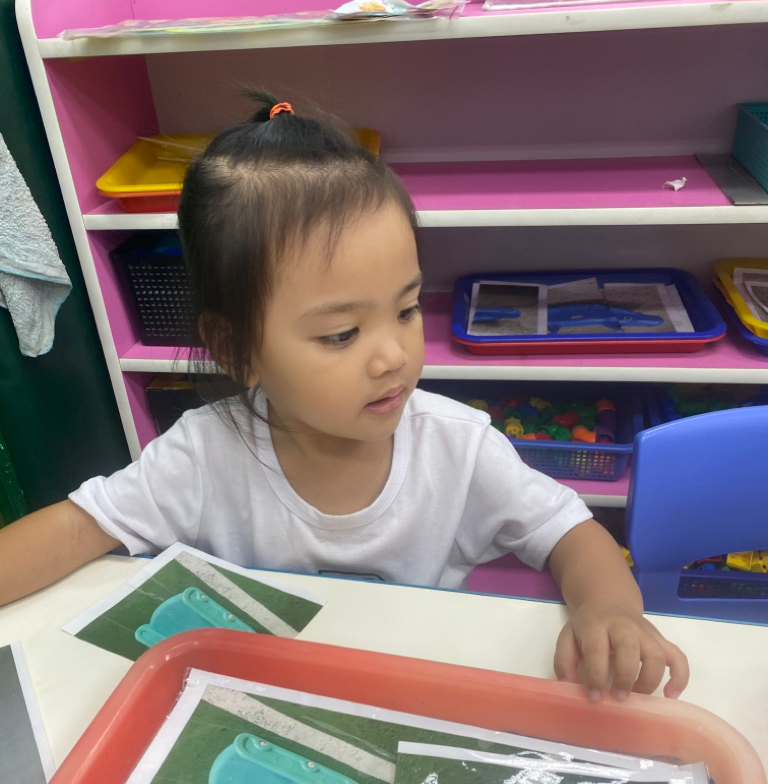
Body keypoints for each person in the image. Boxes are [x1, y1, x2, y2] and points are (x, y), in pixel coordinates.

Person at [0, 93, 688, 702]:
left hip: (416, 695)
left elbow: (571, 534)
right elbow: (75, 528)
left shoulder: (457, 446)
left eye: (407, 310)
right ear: (238, 350)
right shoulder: (204, 456)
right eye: (341, 334)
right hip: (268, 707)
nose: (393, 356)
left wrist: (610, 610)